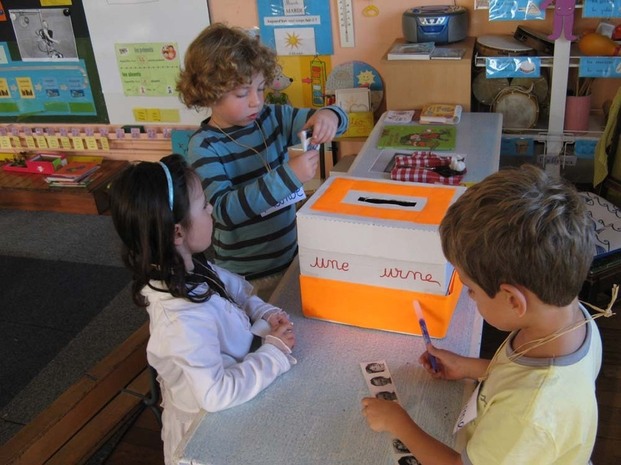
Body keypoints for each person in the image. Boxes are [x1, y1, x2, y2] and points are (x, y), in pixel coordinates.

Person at [361, 165, 604, 464]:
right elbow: (518, 376)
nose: (469, 296)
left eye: (471, 289)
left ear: (514, 300)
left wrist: (399, 424)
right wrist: (469, 367)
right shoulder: (569, 318)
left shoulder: (529, 413)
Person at [109, 154, 296, 465]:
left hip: (239, 398)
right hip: (206, 439)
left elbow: (234, 290)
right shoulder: (181, 320)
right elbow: (216, 395)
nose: (211, 209)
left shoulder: (187, 264)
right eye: (203, 205)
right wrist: (274, 353)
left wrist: (263, 312)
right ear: (177, 232)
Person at [176, 23, 348, 300]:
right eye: (242, 94)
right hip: (245, 276)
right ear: (209, 91)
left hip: (290, 255)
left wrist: (330, 116)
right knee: (261, 334)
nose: (256, 101)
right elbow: (224, 211)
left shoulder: (272, 117)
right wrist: (288, 176)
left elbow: (326, 120)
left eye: (260, 88)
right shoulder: (205, 145)